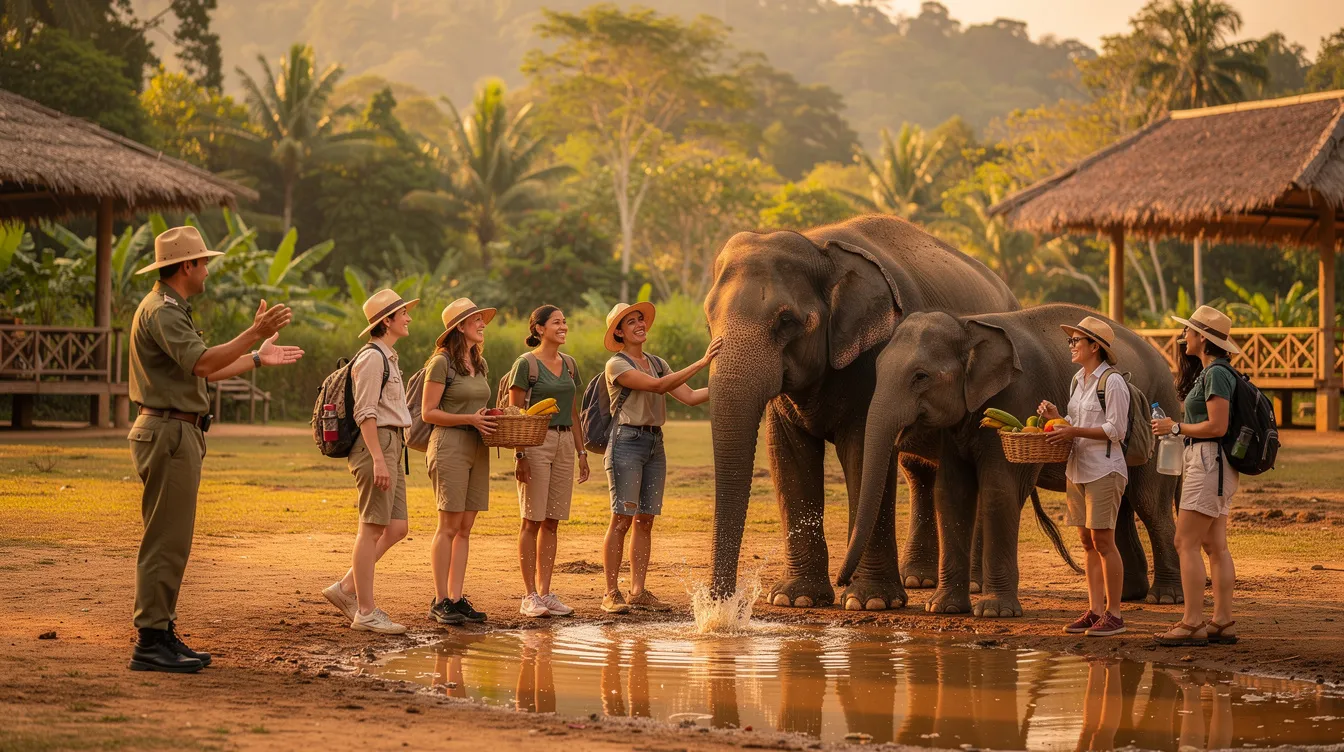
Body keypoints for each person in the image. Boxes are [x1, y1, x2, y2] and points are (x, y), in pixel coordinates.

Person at [128, 226, 304, 673]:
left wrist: (260, 357)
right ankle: (150, 639)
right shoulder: (164, 311)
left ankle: (161, 629)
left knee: (173, 539)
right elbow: (204, 361)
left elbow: (205, 372)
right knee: (166, 541)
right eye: (203, 262)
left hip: (177, 430)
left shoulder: (172, 309)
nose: (207, 270)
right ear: (186, 266)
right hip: (168, 431)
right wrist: (253, 332)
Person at [599, 302, 722, 614]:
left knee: (646, 519)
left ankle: (638, 591)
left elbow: (691, 397)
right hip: (626, 442)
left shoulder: (657, 361)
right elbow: (657, 387)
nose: (640, 325)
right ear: (619, 332)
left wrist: (728, 382)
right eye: (632, 322)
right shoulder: (617, 365)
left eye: (641, 320)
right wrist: (704, 361)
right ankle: (611, 593)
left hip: (655, 443)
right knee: (622, 519)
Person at [322, 289, 418, 635]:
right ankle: (365, 610)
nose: (408, 318)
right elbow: (365, 413)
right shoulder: (372, 359)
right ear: (387, 321)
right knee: (372, 527)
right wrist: (378, 458)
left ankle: (346, 588)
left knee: (396, 527)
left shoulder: (388, 357)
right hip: (375, 444)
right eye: (402, 314)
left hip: (393, 443)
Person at [1151, 305, 1242, 647]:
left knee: (1184, 542)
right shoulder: (1216, 371)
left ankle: (1192, 622)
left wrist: (1175, 426)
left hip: (1208, 462)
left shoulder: (1216, 374)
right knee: (1214, 546)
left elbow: (1217, 425)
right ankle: (1222, 620)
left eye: (1188, 331)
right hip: (1215, 464)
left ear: (1202, 338)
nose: (1183, 336)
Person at [1038, 316, 1130, 638]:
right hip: (1077, 469)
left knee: (1104, 541)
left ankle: (1114, 614)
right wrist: (1057, 418)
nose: (1072, 346)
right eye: (1072, 341)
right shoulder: (1078, 380)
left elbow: (1116, 430)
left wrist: (1073, 429)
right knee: (1087, 542)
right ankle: (1094, 611)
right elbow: (1074, 424)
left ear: (1095, 346)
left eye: (1077, 341)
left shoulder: (1113, 382)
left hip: (1105, 470)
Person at [507, 305, 589, 618]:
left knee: (552, 520)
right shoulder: (525, 365)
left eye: (565, 321)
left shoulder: (569, 364)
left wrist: (581, 453)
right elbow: (515, 415)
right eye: (557, 322)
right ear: (540, 329)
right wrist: (520, 455)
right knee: (532, 519)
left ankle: (546, 592)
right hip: (535, 443)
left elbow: (573, 413)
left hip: (565, 442)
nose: (563, 326)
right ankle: (529, 595)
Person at [420, 298, 497, 625]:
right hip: (450, 444)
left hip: (477, 445)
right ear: (460, 327)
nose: (482, 324)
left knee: (465, 527)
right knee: (449, 526)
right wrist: (469, 417)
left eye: (481, 319)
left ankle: (455, 597)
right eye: (475, 320)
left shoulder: (479, 363)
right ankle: (439, 600)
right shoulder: (440, 363)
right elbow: (428, 413)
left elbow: (479, 405)